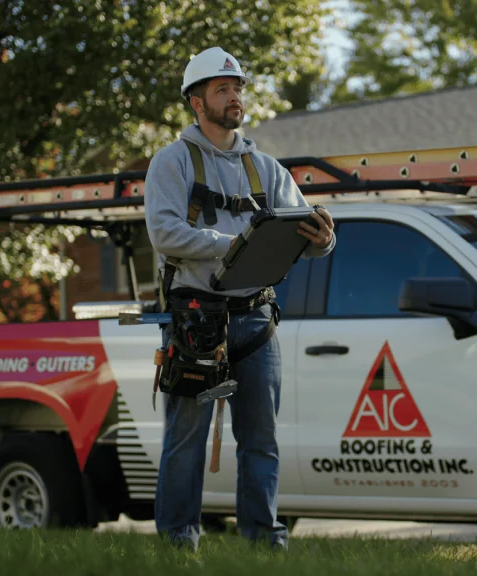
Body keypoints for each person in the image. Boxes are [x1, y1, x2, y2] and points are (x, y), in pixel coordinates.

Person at [143, 46, 335, 552]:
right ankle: (178, 544)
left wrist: (322, 240)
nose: (234, 98)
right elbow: (165, 233)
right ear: (196, 102)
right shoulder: (172, 162)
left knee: (261, 441)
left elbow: (299, 231)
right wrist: (232, 244)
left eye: (237, 89)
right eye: (222, 90)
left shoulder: (265, 168)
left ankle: (264, 542)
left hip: (256, 321)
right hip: (195, 320)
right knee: (185, 440)